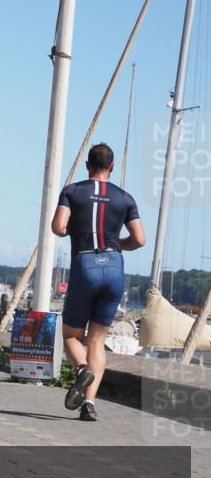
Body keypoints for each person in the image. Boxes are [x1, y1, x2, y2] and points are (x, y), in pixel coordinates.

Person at [51, 143, 145, 422]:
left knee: (71, 335)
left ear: (87, 165)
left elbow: (58, 227)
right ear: (112, 167)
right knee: (97, 341)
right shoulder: (125, 198)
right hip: (114, 267)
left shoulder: (72, 191)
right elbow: (140, 240)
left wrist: (76, 229)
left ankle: (81, 370)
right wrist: (117, 245)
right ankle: (89, 404)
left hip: (85, 263)